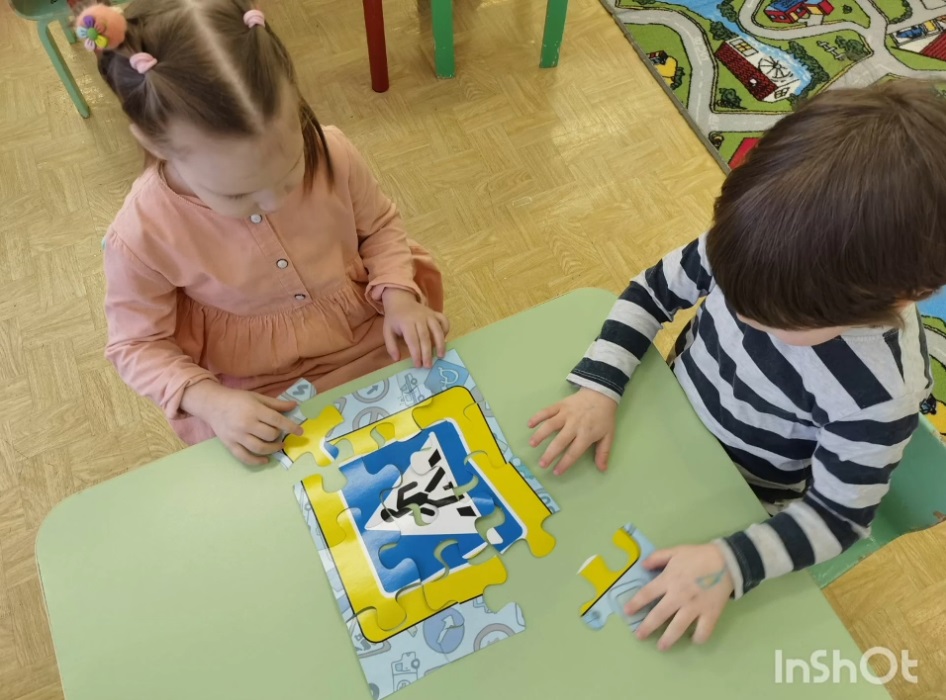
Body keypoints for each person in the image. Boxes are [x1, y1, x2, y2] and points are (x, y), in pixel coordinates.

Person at [529, 79, 946, 650]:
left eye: (778, 320)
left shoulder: (878, 395)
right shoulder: (757, 242)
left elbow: (838, 519)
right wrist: (601, 384)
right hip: (663, 417)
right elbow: (651, 293)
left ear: (907, 295)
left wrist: (731, 562)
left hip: (740, 497)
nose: (743, 312)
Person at [81, 0, 448, 464]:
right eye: (238, 194)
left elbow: (379, 227)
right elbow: (136, 345)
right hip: (253, 389)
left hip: (371, 339)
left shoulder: (331, 150)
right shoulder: (141, 234)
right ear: (156, 143)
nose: (275, 202)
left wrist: (398, 296)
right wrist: (210, 401)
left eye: (291, 170)